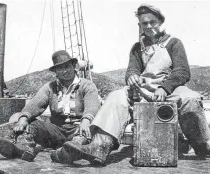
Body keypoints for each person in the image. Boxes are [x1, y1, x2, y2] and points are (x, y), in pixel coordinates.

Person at [54, 4, 210, 165]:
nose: (148, 26)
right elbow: (132, 70)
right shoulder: (137, 48)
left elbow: (182, 71)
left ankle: (201, 145)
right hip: (142, 91)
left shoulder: (174, 43)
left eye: (152, 22)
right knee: (116, 97)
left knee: (190, 98)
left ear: (160, 22)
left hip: (170, 89)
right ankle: (100, 146)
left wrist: (165, 87)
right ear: (139, 25)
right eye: (144, 23)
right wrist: (132, 77)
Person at [0, 50, 101, 162]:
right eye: (60, 68)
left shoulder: (87, 85)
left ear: (73, 66)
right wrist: (23, 118)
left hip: (78, 129)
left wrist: (86, 120)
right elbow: (35, 103)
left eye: (67, 66)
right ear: (55, 71)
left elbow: (92, 105)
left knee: (83, 134)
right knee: (31, 124)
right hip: (56, 132)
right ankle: (24, 149)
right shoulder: (50, 87)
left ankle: (69, 152)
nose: (65, 71)